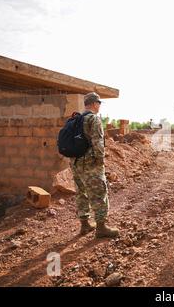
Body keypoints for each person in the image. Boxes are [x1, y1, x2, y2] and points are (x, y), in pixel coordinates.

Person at [71, 92, 119, 238]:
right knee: (99, 193)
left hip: (75, 164)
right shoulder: (94, 119)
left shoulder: (76, 119)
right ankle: (101, 227)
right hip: (91, 165)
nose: (99, 106)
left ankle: (84, 225)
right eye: (98, 103)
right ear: (94, 103)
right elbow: (98, 143)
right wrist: (100, 162)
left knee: (81, 193)